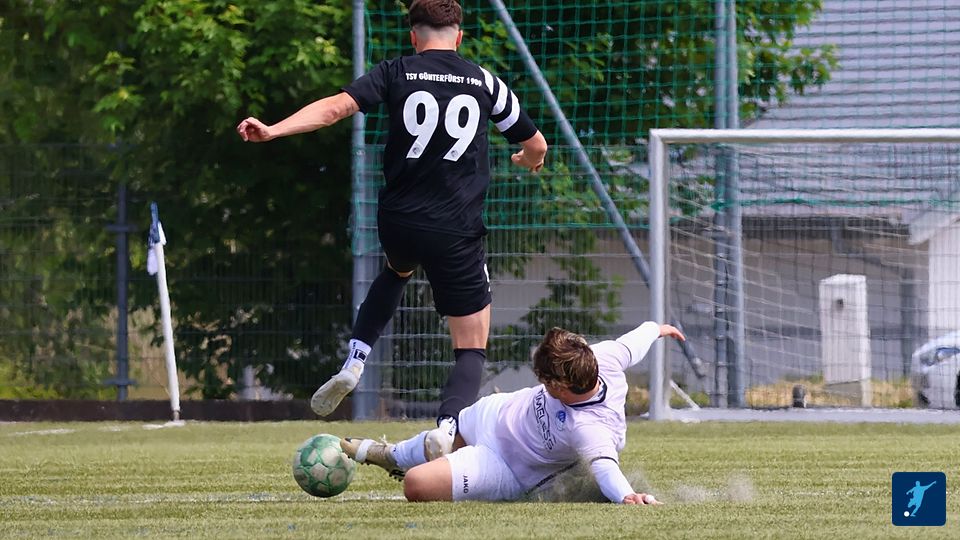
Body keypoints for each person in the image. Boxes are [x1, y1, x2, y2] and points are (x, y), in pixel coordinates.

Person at [236, 0, 548, 459]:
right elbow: (535, 142)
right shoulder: (485, 82)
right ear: (459, 37)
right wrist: (528, 159)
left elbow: (335, 108)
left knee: (397, 270)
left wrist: (273, 130)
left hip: (398, 220)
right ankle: (446, 427)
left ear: (413, 37)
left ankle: (355, 360)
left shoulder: (396, 71)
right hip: (456, 229)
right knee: (470, 345)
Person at [340, 321, 686, 504]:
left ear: (560, 386)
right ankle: (392, 454)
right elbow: (636, 339)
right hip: (497, 411)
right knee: (444, 438)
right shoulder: (602, 357)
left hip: (503, 466)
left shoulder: (589, 428)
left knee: (416, 485)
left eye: (544, 381)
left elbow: (606, 469)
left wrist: (627, 496)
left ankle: (413, 463)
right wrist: (659, 328)